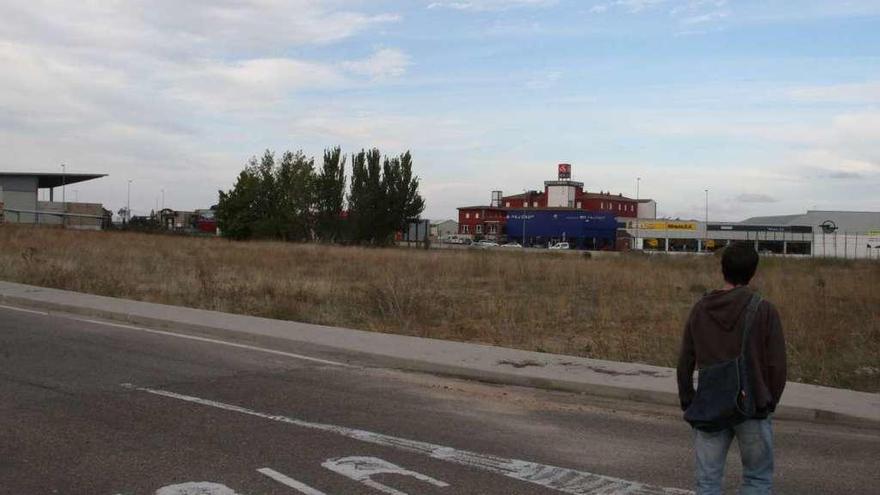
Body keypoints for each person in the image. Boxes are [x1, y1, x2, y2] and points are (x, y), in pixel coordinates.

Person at [677, 242, 787, 494]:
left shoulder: (701, 308)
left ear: (722, 268)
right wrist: (768, 402)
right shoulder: (764, 310)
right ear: (753, 272)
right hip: (753, 406)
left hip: (709, 406)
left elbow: (685, 361)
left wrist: (688, 400)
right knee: (757, 479)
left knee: (708, 482)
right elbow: (777, 365)